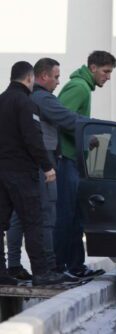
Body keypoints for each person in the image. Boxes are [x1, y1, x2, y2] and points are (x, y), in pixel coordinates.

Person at [6, 58, 89, 283]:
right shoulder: (35, 100)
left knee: (11, 220)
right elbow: (36, 137)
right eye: (56, 76)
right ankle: (46, 270)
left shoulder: (6, 100)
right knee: (40, 218)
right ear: (34, 77)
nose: (58, 81)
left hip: (8, 168)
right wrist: (47, 166)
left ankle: (9, 268)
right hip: (31, 167)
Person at [0, 61, 64, 286]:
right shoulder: (26, 103)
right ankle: (41, 273)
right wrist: (47, 167)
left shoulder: (1, 100)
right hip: (21, 173)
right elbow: (33, 140)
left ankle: (2, 274)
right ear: (29, 79)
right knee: (33, 222)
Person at [55, 51, 116, 277]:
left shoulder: (83, 87)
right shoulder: (79, 87)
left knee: (75, 216)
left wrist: (86, 137)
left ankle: (74, 267)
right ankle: (59, 267)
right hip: (67, 160)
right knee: (67, 216)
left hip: (73, 159)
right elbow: (60, 118)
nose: (108, 77)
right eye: (105, 71)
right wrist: (85, 136)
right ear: (92, 67)